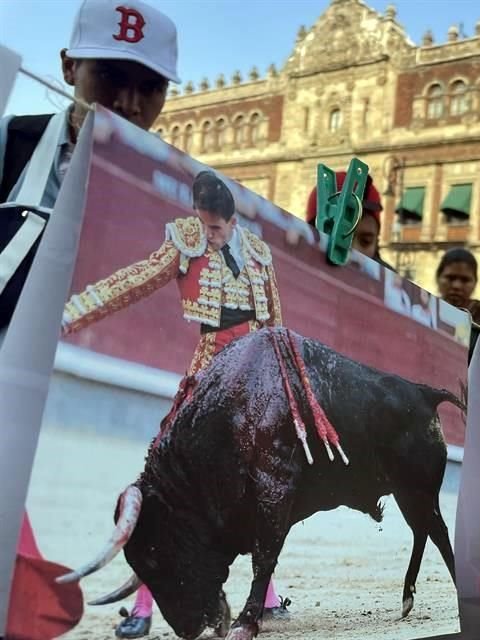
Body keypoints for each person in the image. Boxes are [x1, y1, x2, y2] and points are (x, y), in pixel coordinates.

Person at [60, 171, 289, 635]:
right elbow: (136, 280)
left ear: (232, 221)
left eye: (216, 228)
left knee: (263, 482)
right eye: (203, 225)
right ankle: (146, 605)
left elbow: (276, 328)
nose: (208, 234)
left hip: (256, 378)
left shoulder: (260, 256)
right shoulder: (184, 241)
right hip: (209, 372)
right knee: (172, 485)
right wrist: (69, 313)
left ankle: (263, 595)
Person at [0, 0, 178, 344]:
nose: (129, 104)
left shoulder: (173, 195)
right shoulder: (13, 142)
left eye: (151, 87)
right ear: (69, 68)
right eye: (110, 76)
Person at [303, 172, 394, 269]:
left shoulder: (389, 282)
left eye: (365, 241)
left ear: (376, 243)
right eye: (338, 238)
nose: (353, 252)